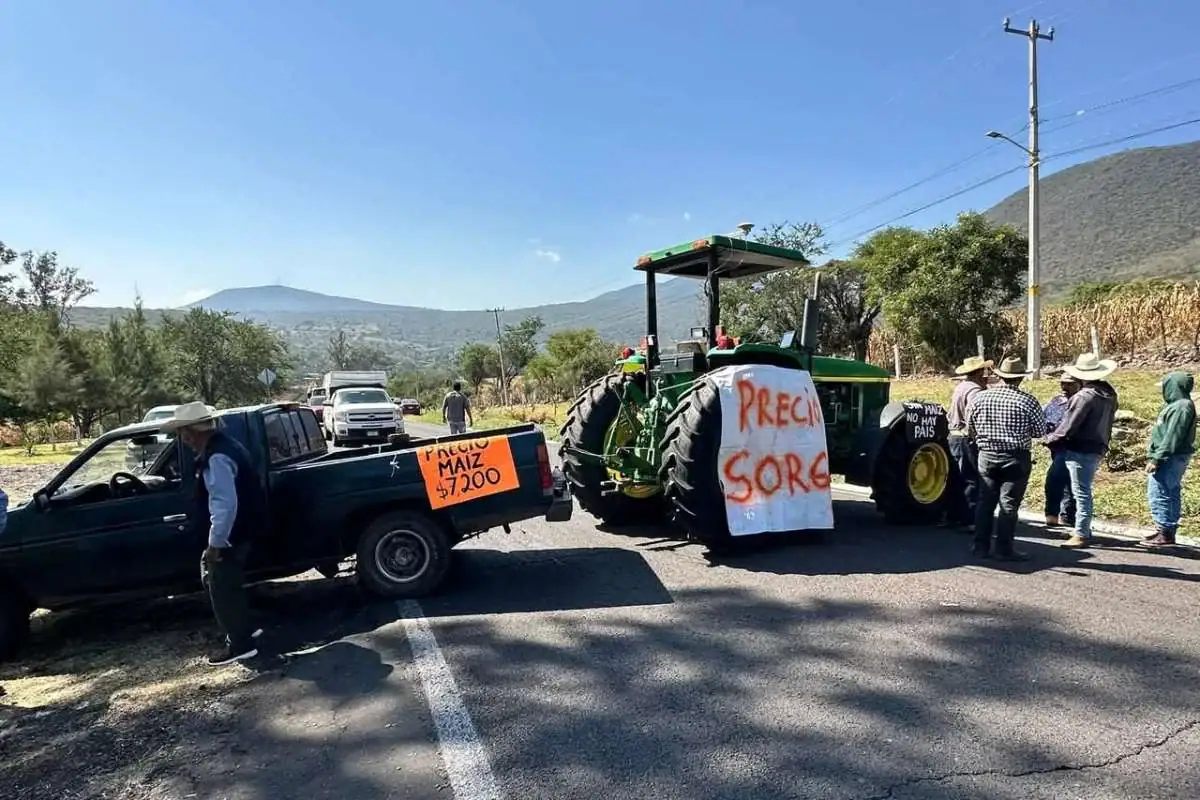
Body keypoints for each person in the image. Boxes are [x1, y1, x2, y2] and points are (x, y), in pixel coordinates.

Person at [162, 401, 266, 666]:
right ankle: (242, 631)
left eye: (183, 432)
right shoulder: (225, 445)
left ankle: (241, 644)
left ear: (192, 431)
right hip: (245, 528)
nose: (183, 440)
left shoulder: (217, 457)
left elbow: (224, 504)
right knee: (227, 584)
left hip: (233, 533)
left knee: (220, 585)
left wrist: (215, 544)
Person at [967, 357, 1046, 561]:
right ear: (1020, 378)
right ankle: (1004, 549)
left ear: (1000, 376)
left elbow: (970, 428)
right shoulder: (1028, 401)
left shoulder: (981, 398)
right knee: (1008, 505)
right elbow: (1039, 431)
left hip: (987, 454)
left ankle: (980, 547)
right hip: (1015, 457)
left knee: (985, 503)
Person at [1043, 353, 1119, 550]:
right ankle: (1081, 527)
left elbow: (1069, 425)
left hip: (1080, 447)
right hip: (1098, 446)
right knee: (1081, 488)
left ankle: (1082, 534)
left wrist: (1050, 439)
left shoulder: (1084, 396)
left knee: (1080, 492)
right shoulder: (1108, 394)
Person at [1141, 371, 1196, 547]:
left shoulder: (1181, 407)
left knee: (1159, 492)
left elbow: (1172, 435)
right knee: (1170, 491)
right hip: (1173, 455)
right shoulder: (1179, 405)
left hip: (1170, 457)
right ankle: (1166, 530)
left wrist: (1157, 458)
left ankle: (1165, 531)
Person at [945, 356, 992, 528]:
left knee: (956, 477)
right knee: (971, 479)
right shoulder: (975, 392)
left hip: (954, 436)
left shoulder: (961, 387)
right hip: (966, 437)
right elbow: (976, 416)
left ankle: (952, 516)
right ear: (979, 373)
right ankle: (969, 518)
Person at [1042, 372, 1080, 529]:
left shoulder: (1080, 401)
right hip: (1056, 447)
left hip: (1071, 446)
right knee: (1067, 482)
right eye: (1063, 383)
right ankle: (1066, 516)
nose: (1065, 387)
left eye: (1069, 383)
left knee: (1056, 479)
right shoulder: (1056, 401)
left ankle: (1058, 514)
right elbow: (1044, 419)